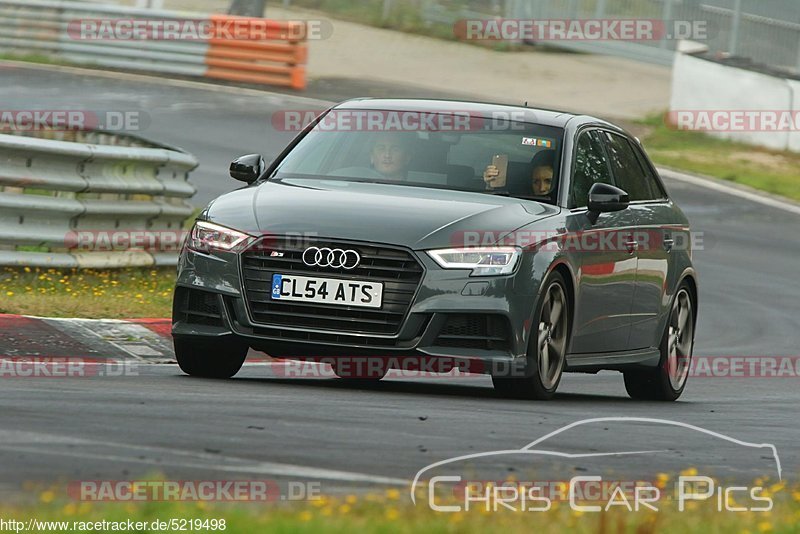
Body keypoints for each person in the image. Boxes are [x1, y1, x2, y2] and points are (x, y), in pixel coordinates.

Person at [483, 150, 555, 196]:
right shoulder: (519, 200)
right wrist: (489, 185)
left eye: (548, 181)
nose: (542, 188)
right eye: (536, 182)